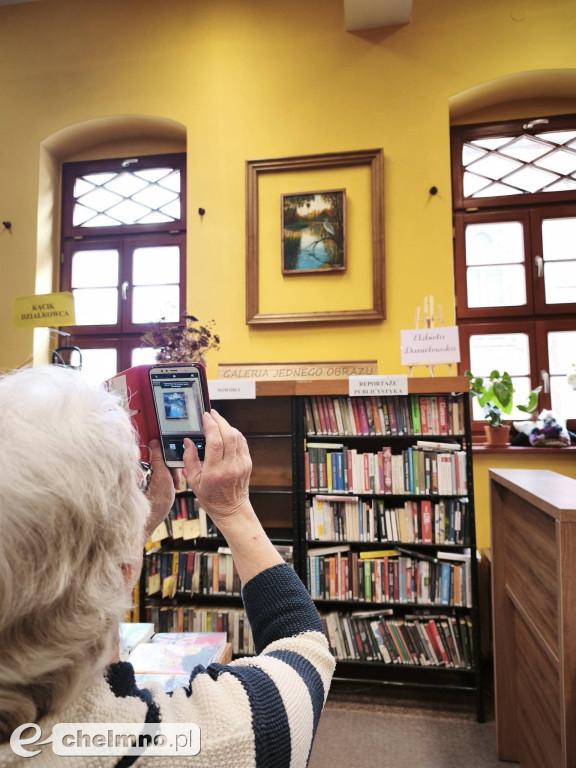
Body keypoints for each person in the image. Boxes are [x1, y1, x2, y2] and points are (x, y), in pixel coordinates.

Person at [0, 365, 335, 766]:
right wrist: (232, 509)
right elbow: (303, 646)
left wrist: (124, 540)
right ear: (124, 572)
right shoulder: (204, 742)